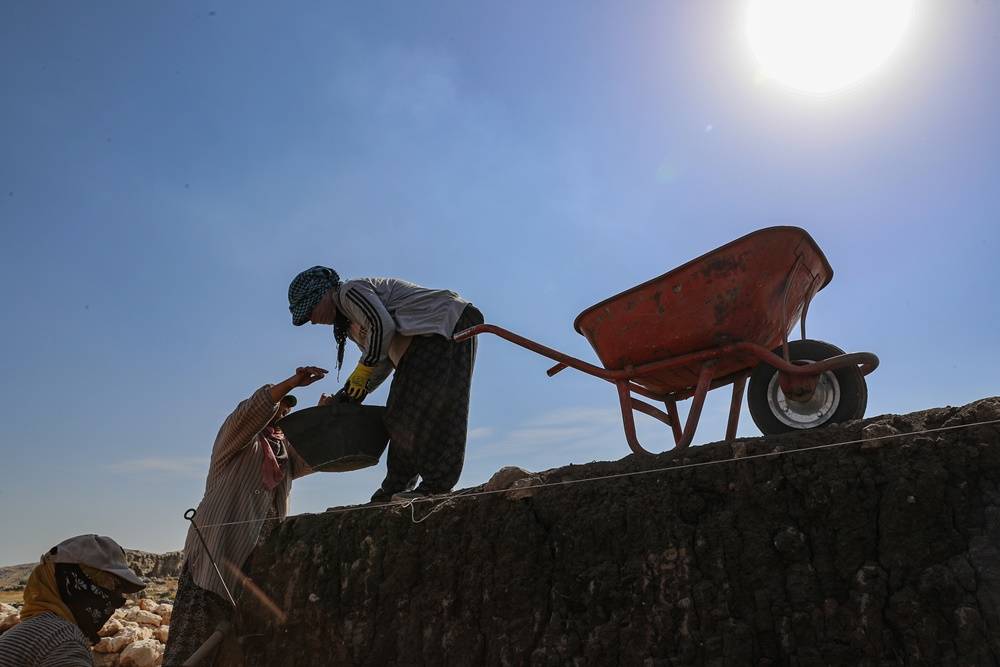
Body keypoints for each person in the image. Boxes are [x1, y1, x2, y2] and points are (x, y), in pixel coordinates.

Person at [163, 367, 326, 667]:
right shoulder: (236, 441)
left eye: (288, 409)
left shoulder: (282, 455)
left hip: (253, 570)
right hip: (214, 561)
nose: (283, 413)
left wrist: (320, 417)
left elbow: (310, 455)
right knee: (193, 647)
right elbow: (249, 412)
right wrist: (291, 383)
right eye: (279, 407)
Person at [287, 266, 483, 502]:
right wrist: (350, 396)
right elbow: (381, 360)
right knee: (398, 414)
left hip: (446, 325)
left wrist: (363, 370)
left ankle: (437, 484)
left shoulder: (349, 292)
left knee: (437, 407)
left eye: (309, 311)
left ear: (322, 294)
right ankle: (396, 487)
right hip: (422, 341)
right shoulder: (350, 324)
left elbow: (382, 327)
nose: (310, 319)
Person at [0, 534, 146, 667]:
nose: (117, 598)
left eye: (118, 587)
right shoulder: (63, 640)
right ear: (68, 577)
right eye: (108, 583)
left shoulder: (31, 630)